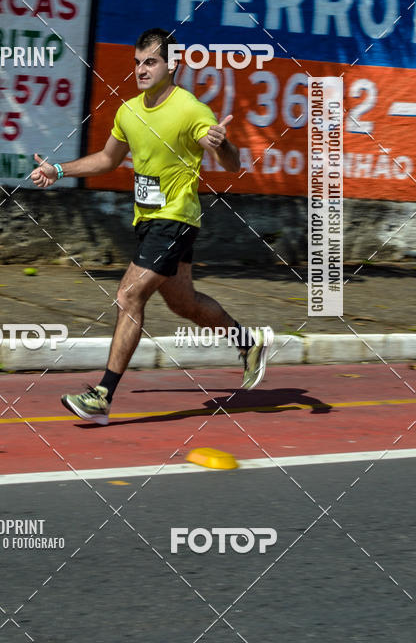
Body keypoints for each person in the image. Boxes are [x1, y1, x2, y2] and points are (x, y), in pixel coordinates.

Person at [31, 27, 272, 425]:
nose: (142, 70)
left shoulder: (191, 110)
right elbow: (107, 160)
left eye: (151, 62)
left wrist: (222, 144)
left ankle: (102, 395)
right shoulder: (129, 111)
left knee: (129, 296)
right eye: (138, 63)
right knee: (184, 304)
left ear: (172, 64)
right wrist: (59, 169)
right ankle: (248, 342)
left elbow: (233, 165)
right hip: (147, 221)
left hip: (176, 219)